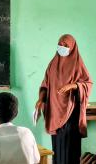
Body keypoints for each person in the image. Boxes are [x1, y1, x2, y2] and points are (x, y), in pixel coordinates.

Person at [35, 34, 92, 164]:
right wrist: (40, 100)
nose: (62, 47)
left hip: (71, 115)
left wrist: (73, 85)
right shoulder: (52, 64)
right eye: (60, 44)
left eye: (66, 45)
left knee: (70, 150)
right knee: (57, 149)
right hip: (54, 113)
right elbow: (45, 86)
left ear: (72, 47)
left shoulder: (78, 65)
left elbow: (88, 84)